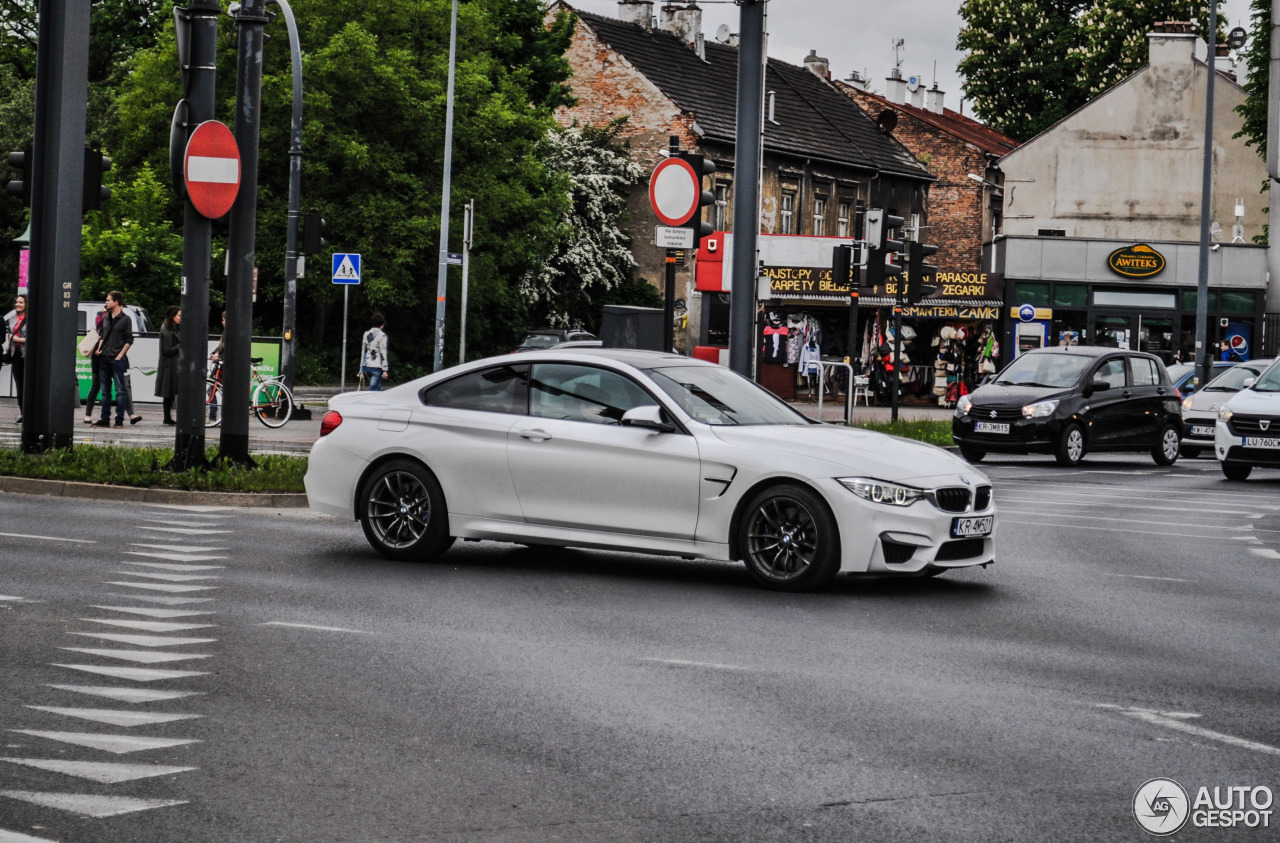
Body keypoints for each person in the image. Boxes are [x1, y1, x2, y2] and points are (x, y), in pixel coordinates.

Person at [93, 291, 134, 428]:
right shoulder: (106, 318)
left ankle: (119, 420)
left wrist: (119, 356)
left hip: (117, 358)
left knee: (119, 390)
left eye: (108, 300)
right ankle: (105, 419)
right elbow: (103, 336)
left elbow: (129, 339)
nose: (106, 302)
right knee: (105, 391)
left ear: (116, 302)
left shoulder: (125, 319)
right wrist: (99, 349)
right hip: (104, 357)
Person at [83, 302, 110, 423]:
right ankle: (88, 414)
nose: (107, 303)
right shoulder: (102, 315)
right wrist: (105, 312)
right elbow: (99, 324)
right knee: (96, 386)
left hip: (111, 354)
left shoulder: (119, 317)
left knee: (119, 386)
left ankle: (129, 414)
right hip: (98, 356)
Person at [156, 306, 181, 425]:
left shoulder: (171, 328)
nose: (181, 318)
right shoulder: (166, 329)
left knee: (169, 391)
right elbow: (167, 350)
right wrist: (180, 345)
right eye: (179, 315)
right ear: (173, 316)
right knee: (168, 391)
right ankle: (167, 417)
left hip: (171, 364)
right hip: (168, 365)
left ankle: (167, 417)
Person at [6, 293, 26, 423]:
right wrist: (11, 342)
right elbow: (9, 334)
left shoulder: (32, 318)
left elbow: (35, 337)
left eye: (21, 302)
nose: (18, 304)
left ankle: (31, 412)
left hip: (28, 354)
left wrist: (18, 339)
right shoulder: (12, 318)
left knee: (28, 385)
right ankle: (23, 413)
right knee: (19, 385)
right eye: (17, 302)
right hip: (16, 354)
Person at [360, 313, 388, 391]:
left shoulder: (366, 334)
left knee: (377, 388)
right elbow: (383, 352)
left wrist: (361, 369)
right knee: (373, 390)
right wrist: (385, 369)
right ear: (382, 324)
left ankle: (379, 402)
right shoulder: (382, 336)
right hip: (377, 366)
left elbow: (364, 351)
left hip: (367, 366)